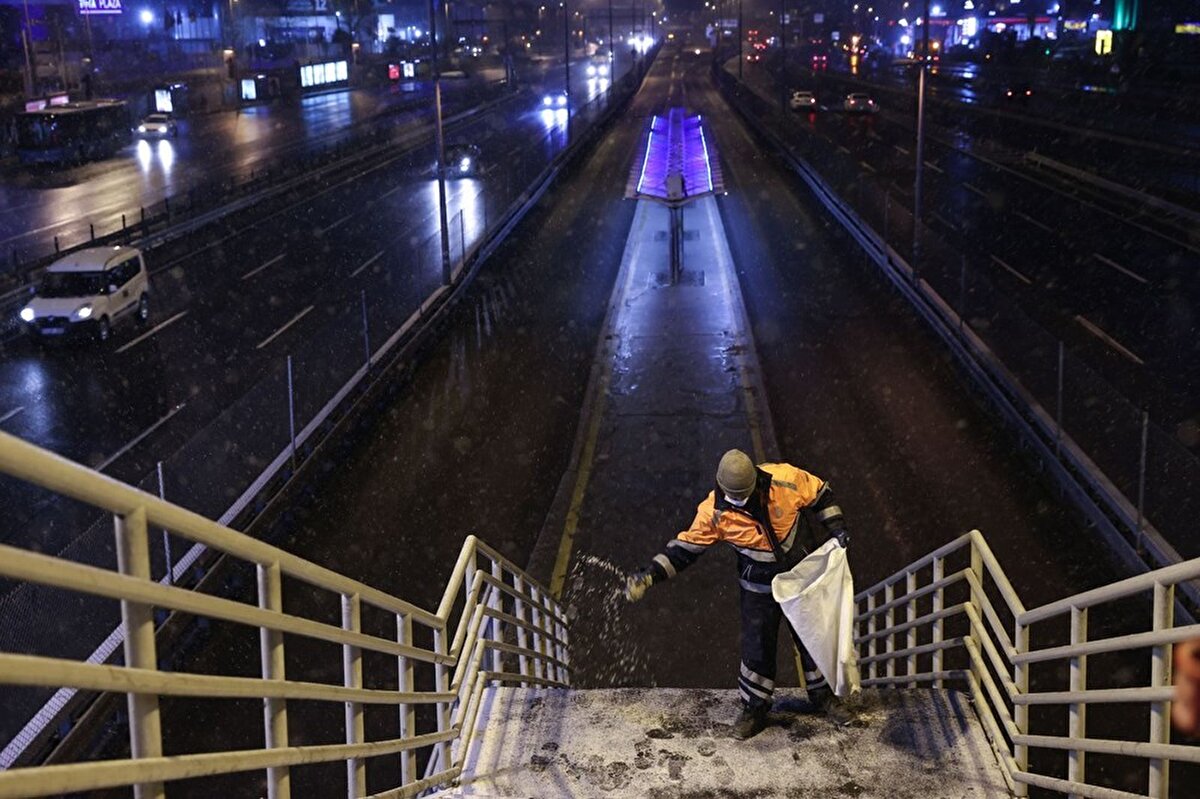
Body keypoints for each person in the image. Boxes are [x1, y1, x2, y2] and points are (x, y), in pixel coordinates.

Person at [624, 449, 852, 739]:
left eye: (743, 496)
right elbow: (684, 549)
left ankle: (825, 698)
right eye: (733, 497)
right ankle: (755, 709)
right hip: (758, 587)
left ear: (756, 482)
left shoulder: (786, 480)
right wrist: (650, 574)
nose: (739, 503)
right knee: (757, 647)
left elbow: (821, 494)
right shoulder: (714, 512)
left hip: (801, 579)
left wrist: (838, 528)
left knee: (813, 636)